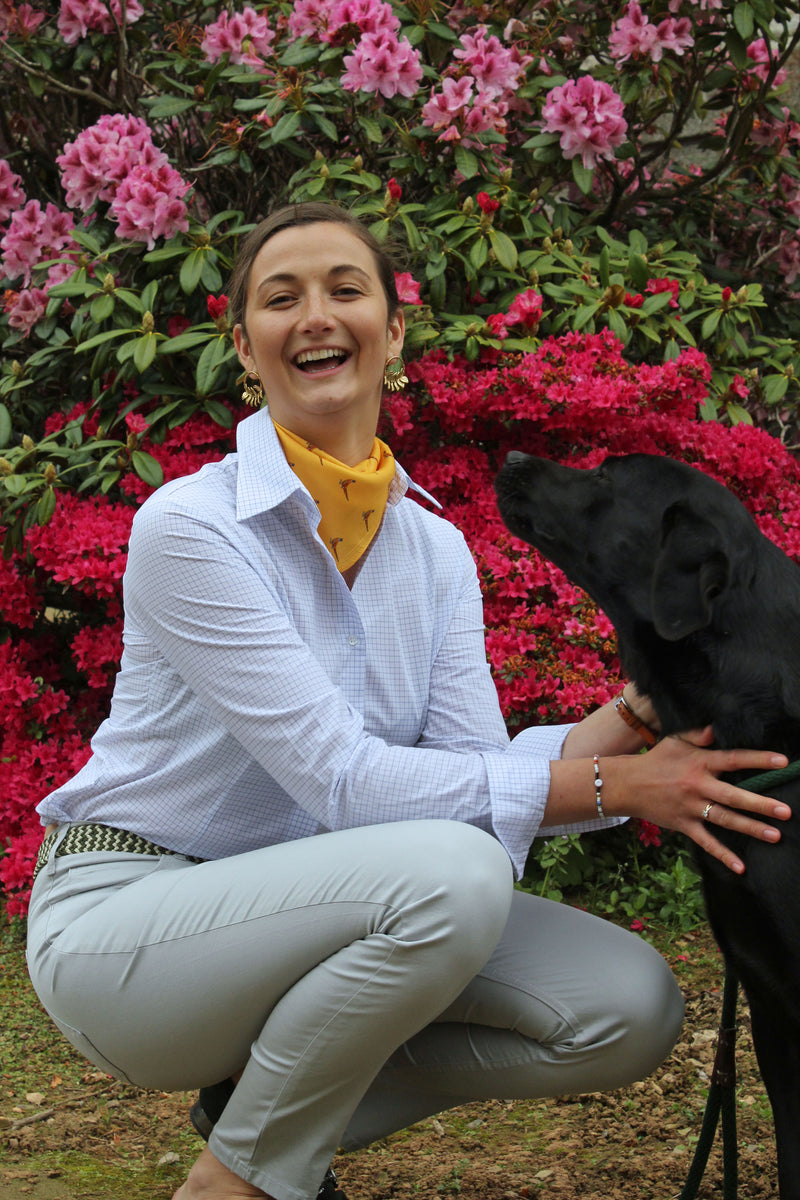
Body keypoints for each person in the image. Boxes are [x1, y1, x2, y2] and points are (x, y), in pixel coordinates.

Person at [26, 201, 791, 1200]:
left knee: (625, 1004)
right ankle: (239, 1180)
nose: (315, 317)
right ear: (243, 347)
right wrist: (619, 782)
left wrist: (638, 723)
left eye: (346, 290)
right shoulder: (192, 528)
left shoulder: (431, 549)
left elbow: (468, 771)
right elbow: (345, 782)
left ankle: (257, 1109)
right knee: (455, 874)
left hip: (326, 912)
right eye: (279, 298)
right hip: (131, 927)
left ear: (392, 333)